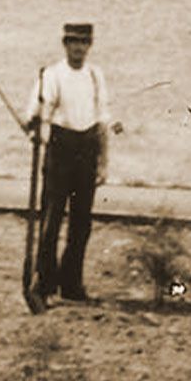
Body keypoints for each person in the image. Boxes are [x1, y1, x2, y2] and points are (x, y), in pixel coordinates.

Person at [23, 22, 121, 303]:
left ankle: (71, 285)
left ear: (90, 45)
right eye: (73, 42)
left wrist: (103, 162)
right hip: (61, 149)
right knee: (51, 219)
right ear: (64, 44)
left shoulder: (94, 75)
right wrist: (34, 125)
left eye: (84, 42)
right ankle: (44, 284)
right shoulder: (52, 75)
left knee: (81, 222)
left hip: (87, 150)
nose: (78, 48)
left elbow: (103, 118)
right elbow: (38, 111)